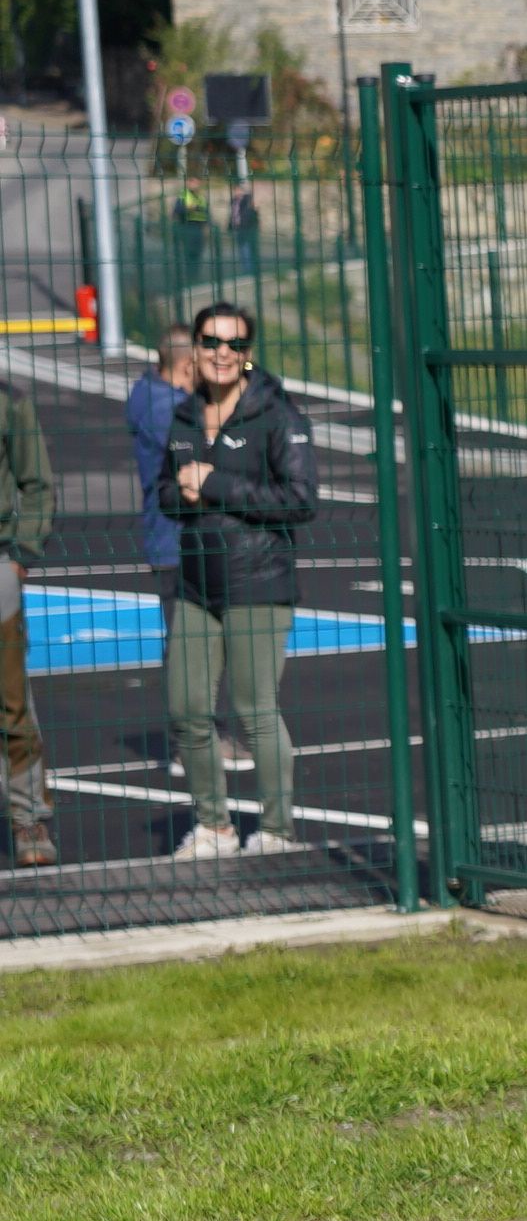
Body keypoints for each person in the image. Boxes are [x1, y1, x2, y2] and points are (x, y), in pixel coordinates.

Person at [160, 304, 315, 860]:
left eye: (234, 344)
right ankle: (214, 827)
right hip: (196, 585)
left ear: (247, 355)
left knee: (254, 711)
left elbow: (301, 501)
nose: (221, 353)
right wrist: (183, 491)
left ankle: (277, 830)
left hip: (258, 581)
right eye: (210, 341)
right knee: (186, 709)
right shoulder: (182, 417)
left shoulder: (275, 416)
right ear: (195, 350)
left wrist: (216, 484)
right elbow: (166, 493)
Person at [1, 371, 53, 866]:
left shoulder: (10, 402)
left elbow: (37, 484)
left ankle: (28, 818)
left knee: (11, 702)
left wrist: (22, 551)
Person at [129, 328, 195, 582]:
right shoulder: (170, 410)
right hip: (177, 541)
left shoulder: (145, 390)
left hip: (165, 539)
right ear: (188, 365)